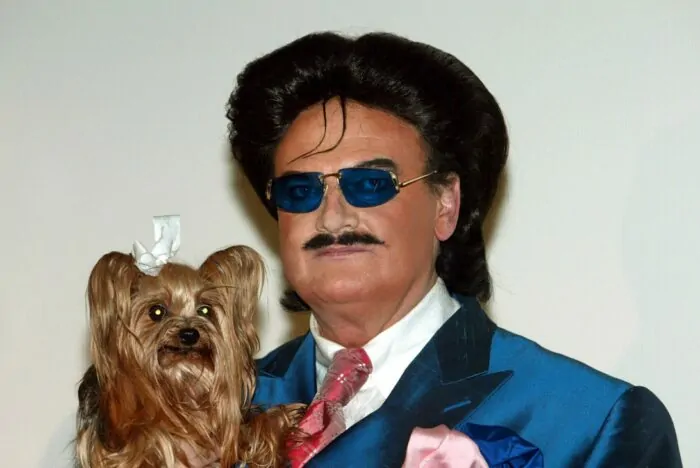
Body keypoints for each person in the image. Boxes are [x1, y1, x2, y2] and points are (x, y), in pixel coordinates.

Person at [225, 31, 682, 467]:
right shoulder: (221, 407)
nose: (331, 218)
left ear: (445, 204)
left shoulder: (590, 424)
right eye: (300, 191)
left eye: (369, 184)